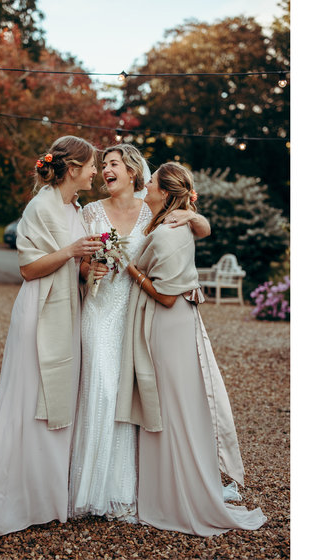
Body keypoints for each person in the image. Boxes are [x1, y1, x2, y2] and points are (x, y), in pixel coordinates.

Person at [0, 136, 104, 537]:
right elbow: (29, 269)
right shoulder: (39, 206)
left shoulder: (75, 207)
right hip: (39, 310)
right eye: (90, 165)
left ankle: (44, 497)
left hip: (66, 309)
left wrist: (92, 269)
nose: (95, 172)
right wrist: (72, 252)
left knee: (56, 400)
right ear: (72, 168)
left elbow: (77, 265)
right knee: (28, 400)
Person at [117, 162, 266, 536]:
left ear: (165, 193)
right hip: (173, 325)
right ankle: (167, 484)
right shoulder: (166, 222)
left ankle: (175, 492)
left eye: (150, 182)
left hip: (170, 325)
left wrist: (131, 270)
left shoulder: (169, 233)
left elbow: (166, 297)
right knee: (172, 402)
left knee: (170, 405)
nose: (144, 185)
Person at [68, 145, 211, 522]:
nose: (105, 170)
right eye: (103, 166)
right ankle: (90, 488)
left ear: (132, 171)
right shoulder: (90, 212)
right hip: (100, 312)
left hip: (136, 316)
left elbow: (200, 225)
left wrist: (194, 220)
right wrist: (89, 270)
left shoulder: (154, 211)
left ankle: (124, 489)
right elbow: (81, 263)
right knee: (100, 384)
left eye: (113, 164)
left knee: (126, 392)